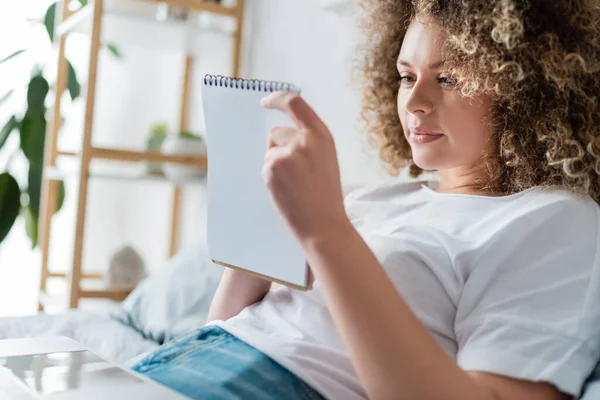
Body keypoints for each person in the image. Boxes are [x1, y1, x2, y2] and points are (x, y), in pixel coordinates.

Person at [130, 0, 600, 399]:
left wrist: (324, 229)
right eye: (405, 76)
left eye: (450, 78)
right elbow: (235, 331)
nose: (415, 101)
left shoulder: (557, 220)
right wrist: (260, 234)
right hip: (181, 360)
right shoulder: (382, 198)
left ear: (524, 89)